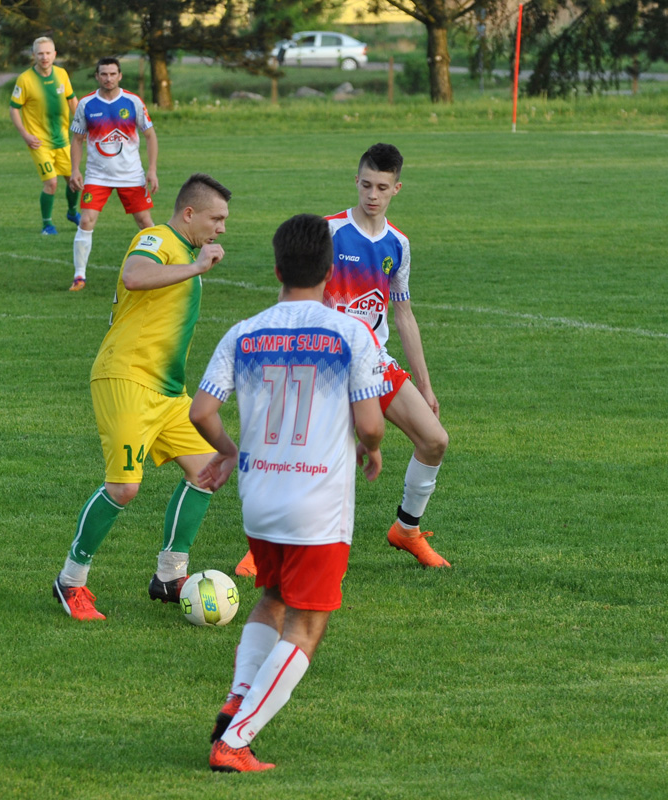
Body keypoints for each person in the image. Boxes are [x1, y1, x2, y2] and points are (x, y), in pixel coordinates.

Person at [189, 213, 386, 772]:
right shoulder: (349, 334)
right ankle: (236, 740)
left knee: (272, 597)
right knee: (306, 622)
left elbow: (201, 412)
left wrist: (230, 451)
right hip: (316, 505)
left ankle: (238, 698)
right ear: (330, 272)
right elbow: (371, 424)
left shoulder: (244, 332)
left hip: (259, 498)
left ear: (277, 269)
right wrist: (371, 448)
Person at [234, 142, 451, 577]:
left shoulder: (399, 244)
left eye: (382, 187)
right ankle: (264, 547)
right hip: (324, 363)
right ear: (356, 181)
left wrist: (425, 385)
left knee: (434, 440)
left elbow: (403, 314)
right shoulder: (329, 232)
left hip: (374, 362)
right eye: (366, 185)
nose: (372, 194)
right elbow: (293, 294)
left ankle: (407, 530)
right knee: (301, 453)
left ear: (396, 189)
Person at [51, 174, 233, 621]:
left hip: (168, 390)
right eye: (216, 218)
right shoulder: (157, 238)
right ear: (189, 213)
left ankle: (170, 575)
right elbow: (133, 276)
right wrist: (196, 268)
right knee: (124, 487)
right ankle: (70, 581)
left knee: (207, 471)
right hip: (127, 377)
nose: (222, 228)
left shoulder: (185, 252)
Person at [65, 57, 159, 292]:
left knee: (145, 223)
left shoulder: (133, 102)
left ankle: (160, 269)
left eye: (113, 74)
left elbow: (150, 136)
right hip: (97, 176)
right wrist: (75, 169)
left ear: (120, 76)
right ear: (97, 76)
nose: (108, 78)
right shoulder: (86, 104)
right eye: (104, 74)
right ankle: (79, 276)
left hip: (131, 175)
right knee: (86, 220)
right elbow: (77, 139)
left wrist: (152, 170)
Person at [9, 36, 81, 236]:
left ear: (54, 54)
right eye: (40, 53)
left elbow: (72, 100)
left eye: (48, 53)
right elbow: (14, 109)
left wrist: (81, 125)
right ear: (34, 55)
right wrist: (25, 134)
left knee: (74, 181)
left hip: (63, 140)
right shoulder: (25, 79)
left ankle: (72, 212)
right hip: (39, 142)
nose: (44, 57)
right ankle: (47, 225)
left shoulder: (61, 74)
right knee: (51, 183)